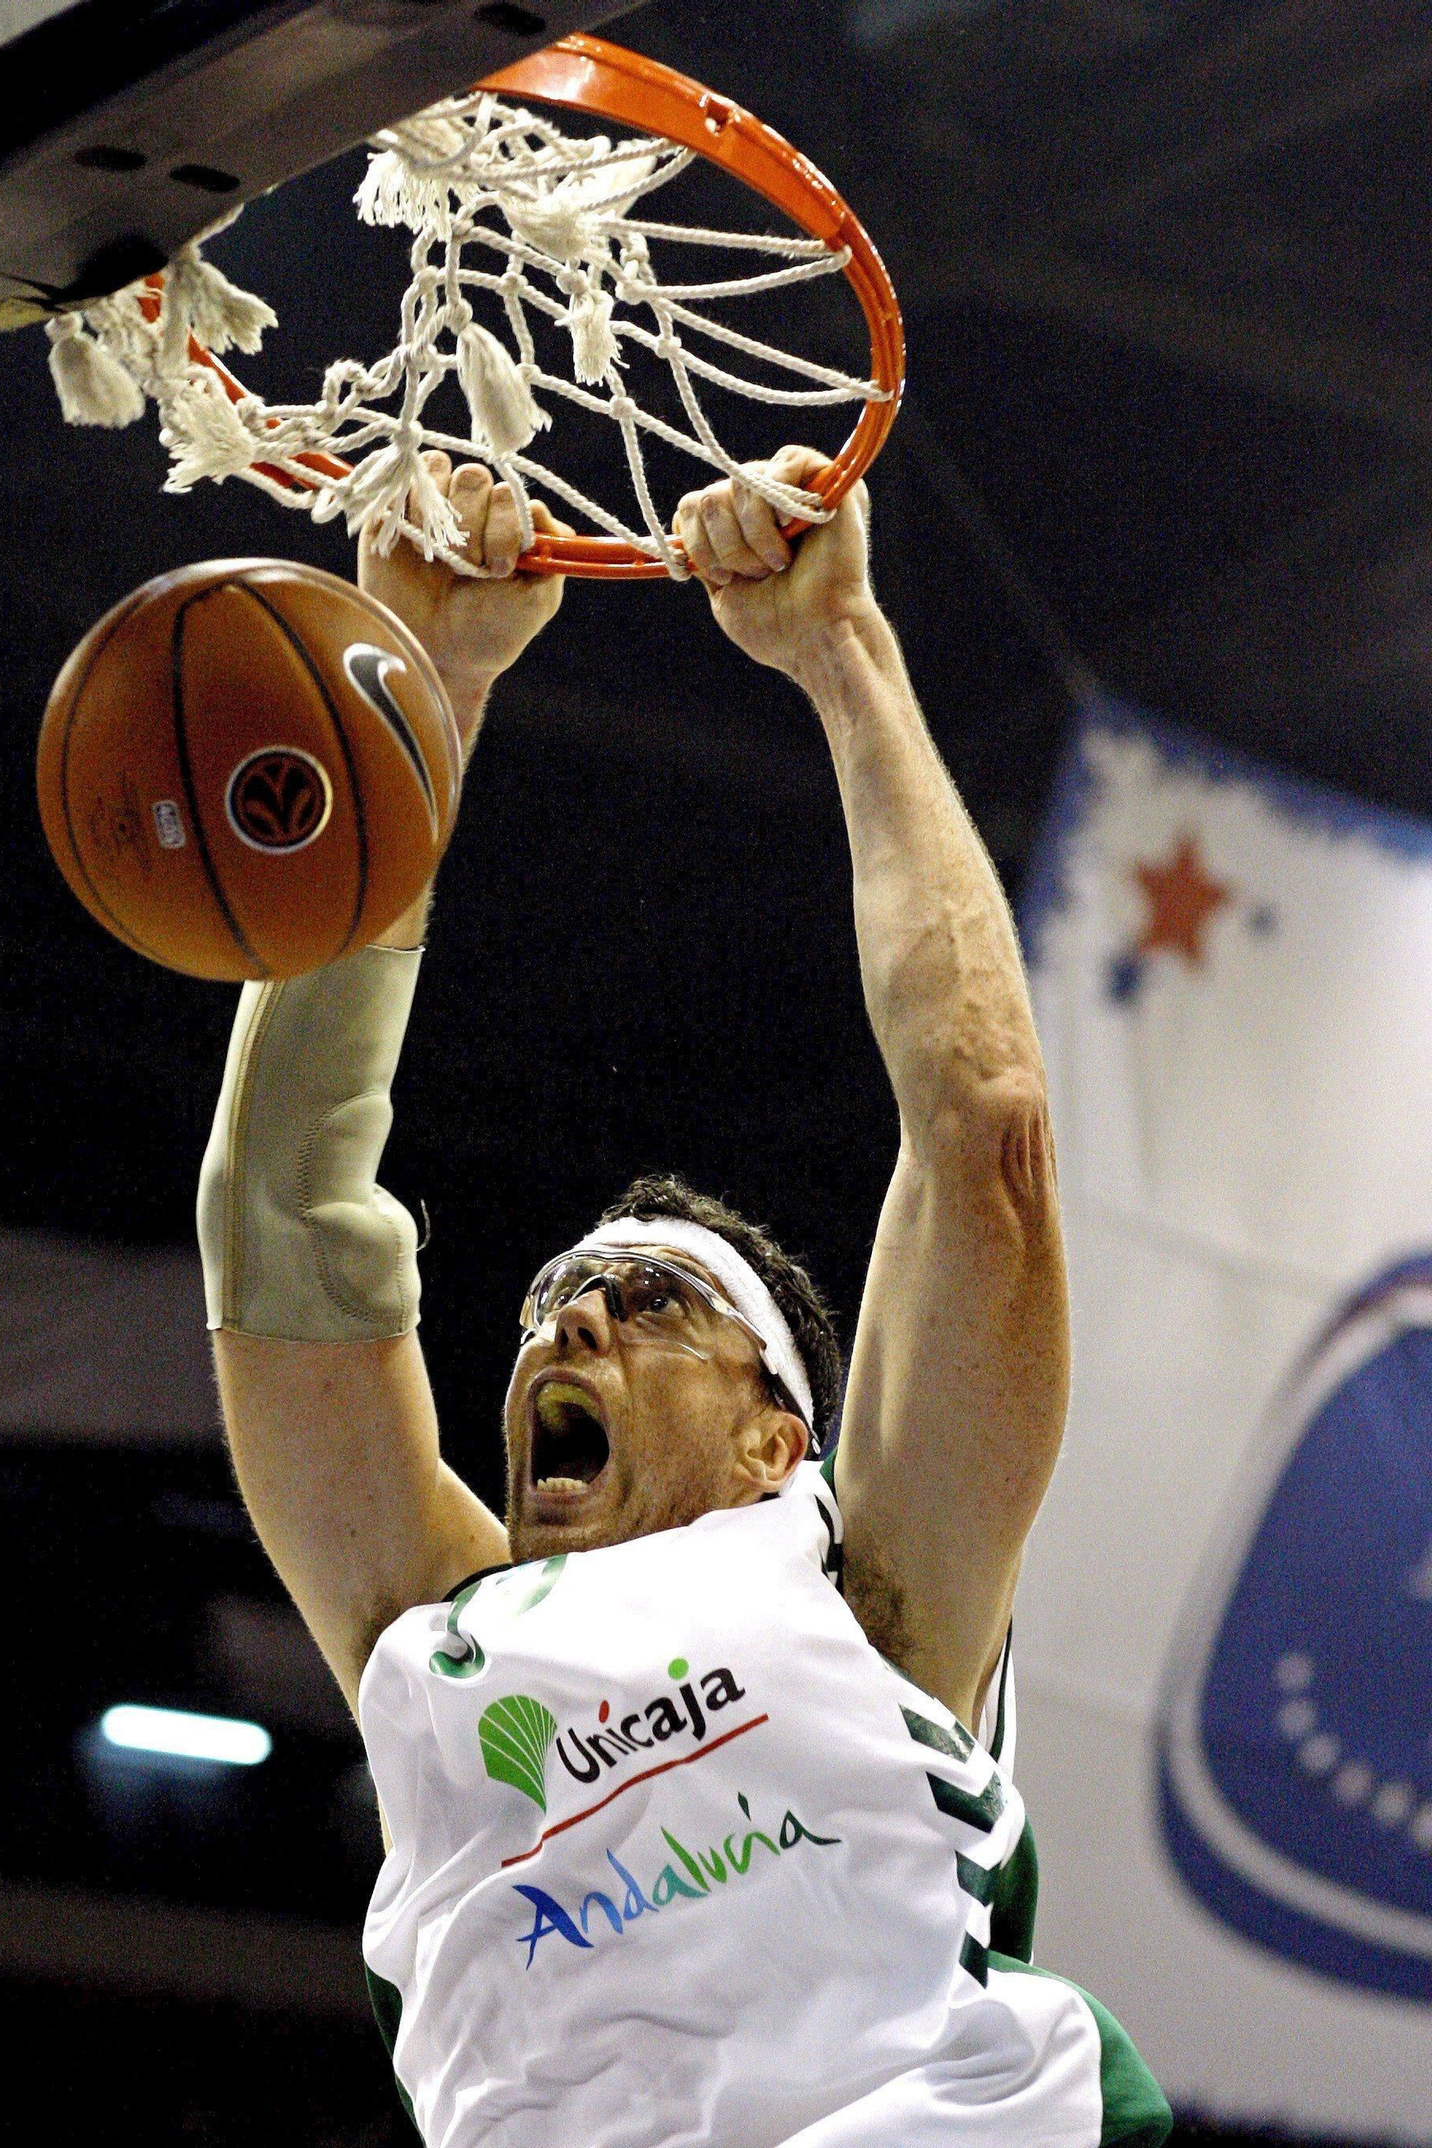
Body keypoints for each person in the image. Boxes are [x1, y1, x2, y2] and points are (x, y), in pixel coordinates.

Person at [196, 447, 1172, 2148]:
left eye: (647, 1301)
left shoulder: (876, 1593)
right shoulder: (428, 1627)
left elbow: (986, 1138)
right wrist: (421, 695)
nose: (563, 1328)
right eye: (552, 1308)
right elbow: (282, 1215)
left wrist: (842, 646)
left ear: (777, 1438)